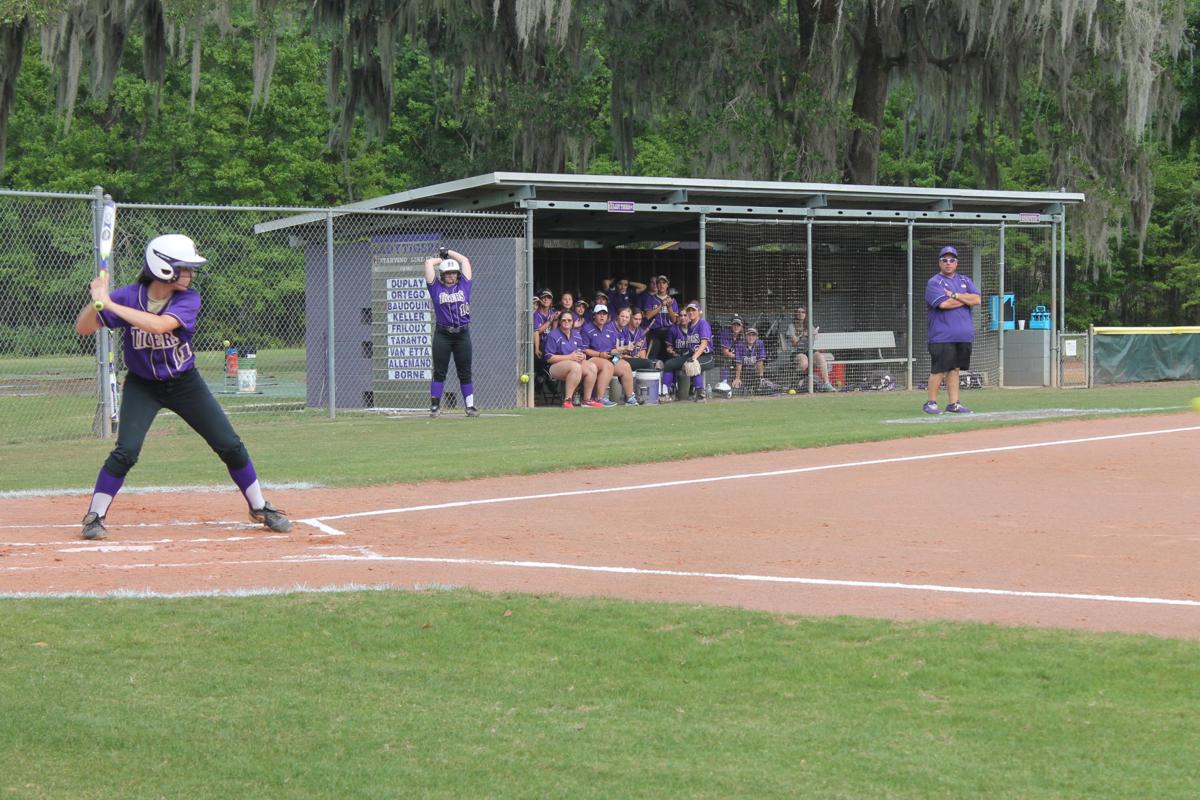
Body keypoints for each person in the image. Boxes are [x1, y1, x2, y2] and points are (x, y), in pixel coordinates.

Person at [73, 233, 291, 541]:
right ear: (162, 268)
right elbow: (83, 328)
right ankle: (95, 516)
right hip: (142, 385)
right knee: (126, 451)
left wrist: (110, 304)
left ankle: (260, 507)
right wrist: (95, 302)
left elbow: (158, 325)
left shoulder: (188, 298)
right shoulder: (127, 296)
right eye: (183, 268)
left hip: (185, 383)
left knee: (229, 444)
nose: (190, 274)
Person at [924, 245, 980, 414]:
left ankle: (953, 404)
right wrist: (966, 299)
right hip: (942, 335)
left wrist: (955, 295)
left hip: (963, 335)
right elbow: (943, 304)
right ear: (939, 263)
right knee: (939, 370)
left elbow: (977, 299)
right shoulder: (935, 282)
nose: (948, 263)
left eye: (952, 260)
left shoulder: (965, 280)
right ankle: (931, 403)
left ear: (956, 263)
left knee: (955, 369)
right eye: (945, 260)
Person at [425, 247, 479, 418]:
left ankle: (470, 407)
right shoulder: (436, 289)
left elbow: (464, 261)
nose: (451, 275)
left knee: (465, 371)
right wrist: (440, 261)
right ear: (442, 275)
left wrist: (447, 252)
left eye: (453, 273)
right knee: (440, 371)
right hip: (443, 334)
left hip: (462, 334)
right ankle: (435, 406)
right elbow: (428, 263)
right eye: (447, 273)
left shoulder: (464, 285)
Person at [543, 312, 602, 408]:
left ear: (573, 323)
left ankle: (587, 400)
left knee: (592, 366)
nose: (566, 322)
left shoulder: (577, 334)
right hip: (554, 366)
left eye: (569, 320)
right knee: (576, 367)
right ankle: (568, 400)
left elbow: (581, 351)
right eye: (564, 320)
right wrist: (569, 357)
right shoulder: (553, 335)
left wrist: (583, 356)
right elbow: (549, 358)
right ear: (560, 322)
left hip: (574, 363)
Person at [582, 304, 638, 406]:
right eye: (599, 314)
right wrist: (600, 354)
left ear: (608, 316)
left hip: (608, 357)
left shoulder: (608, 330)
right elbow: (584, 349)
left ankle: (630, 397)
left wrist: (621, 352)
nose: (602, 316)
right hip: (591, 359)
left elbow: (612, 349)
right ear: (594, 315)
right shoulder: (587, 328)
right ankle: (600, 397)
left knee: (625, 365)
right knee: (607, 365)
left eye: (604, 314)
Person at [662, 301, 714, 401]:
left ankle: (700, 394)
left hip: (706, 356)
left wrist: (694, 358)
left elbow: (704, 344)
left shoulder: (702, 323)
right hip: (692, 355)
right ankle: (665, 394)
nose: (691, 312)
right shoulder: (690, 326)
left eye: (693, 310)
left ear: (699, 312)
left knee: (693, 364)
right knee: (669, 364)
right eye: (689, 310)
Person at [786, 305, 834, 392]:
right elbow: (795, 344)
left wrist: (813, 335)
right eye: (798, 312)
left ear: (806, 314)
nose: (800, 314)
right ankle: (796, 383)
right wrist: (803, 336)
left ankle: (827, 384)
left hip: (808, 350)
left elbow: (811, 344)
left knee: (820, 357)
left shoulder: (809, 325)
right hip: (797, 352)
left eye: (803, 312)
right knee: (804, 363)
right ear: (795, 314)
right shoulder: (791, 326)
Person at [639, 275, 679, 359]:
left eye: (664, 283)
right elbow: (648, 316)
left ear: (667, 285)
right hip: (655, 331)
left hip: (669, 331)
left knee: (669, 356)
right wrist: (661, 305)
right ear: (656, 285)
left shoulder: (672, 300)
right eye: (659, 283)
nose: (661, 285)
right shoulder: (650, 299)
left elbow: (674, 320)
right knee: (652, 356)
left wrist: (669, 307)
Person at [733, 326, 781, 394]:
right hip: (743, 373)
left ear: (756, 337)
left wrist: (760, 377)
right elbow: (738, 363)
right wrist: (737, 378)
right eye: (749, 335)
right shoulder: (740, 345)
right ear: (745, 336)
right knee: (738, 391)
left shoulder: (759, 343)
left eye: (753, 335)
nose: (751, 337)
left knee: (763, 389)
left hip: (754, 372)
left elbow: (760, 362)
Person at [614, 307, 657, 372]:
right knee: (648, 363)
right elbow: (615, 352)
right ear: (630, 318)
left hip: (633, 360)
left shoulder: (641, 332)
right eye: (635, 319)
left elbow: (642, 353)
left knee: (656, 363)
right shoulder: (622, 329)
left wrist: (639, 356)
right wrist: (625, 355)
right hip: (619, 359)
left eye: (640, 319)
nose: (638, 322)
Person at [714, 315, 744, 383]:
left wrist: (740, 357)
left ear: (741, 327)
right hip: (717, 355)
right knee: (726, 361)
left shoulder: (742, 336)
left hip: (732, 356)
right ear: (731, 326)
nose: (736, 327)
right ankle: (723, 383)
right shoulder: (726, 333)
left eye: (738, 325)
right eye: (734, 325)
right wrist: (739, 356)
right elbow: (726, 353)